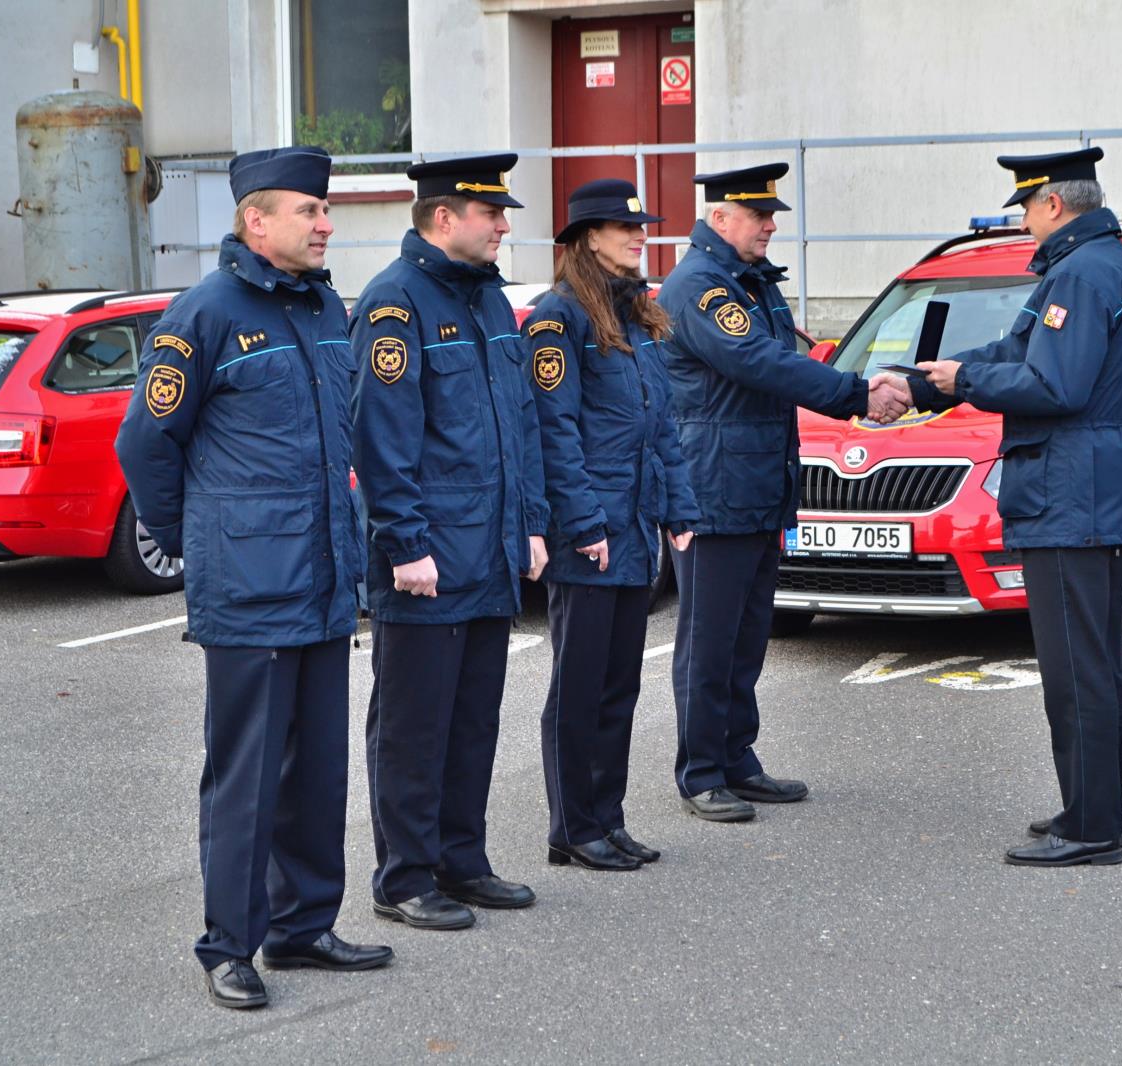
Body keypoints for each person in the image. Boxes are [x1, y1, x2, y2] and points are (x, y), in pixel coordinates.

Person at [115, 145, 392, 1011]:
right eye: (308, 210)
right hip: (249, 587)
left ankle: (303, 927)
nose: (325, 223)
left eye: (325, 209)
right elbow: (145, 444)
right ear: (255, 221)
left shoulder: (320, 308)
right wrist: (197, 540)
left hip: (321, 580)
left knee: (317, 773)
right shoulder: (203, 316)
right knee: (246, 776)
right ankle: (228, 945)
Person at [890, 146, 1122, 867]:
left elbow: (1055, 387)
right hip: (1084, 484)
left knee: (1079, 665)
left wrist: (966, 377)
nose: (1025, 224)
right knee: (1085, 660)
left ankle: (1093, 828)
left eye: (1028, 209)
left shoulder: (1082, 273)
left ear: (1054, 205)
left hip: (1076, 488)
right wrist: (940, 380)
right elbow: (1019, 349)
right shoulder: (1090, 267)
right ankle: (1088, 806)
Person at [657, 163, 909, 823]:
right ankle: (701, 772)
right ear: (719, 219)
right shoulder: (699, 288)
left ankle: (738, 758)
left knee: (746, 638)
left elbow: (786, 363)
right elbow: (759, 364)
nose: (771, 225)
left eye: (772, 215)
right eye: (758, 215)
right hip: (713, 487)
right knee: (709, 640)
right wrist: (858, 396)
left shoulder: (751, 283)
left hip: (758, 484)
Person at [351, 153, 550, 928]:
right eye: (490, 213)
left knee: (473, 722)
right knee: (413, 727)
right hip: (429, 559)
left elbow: (521, 426)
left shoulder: (491, 305)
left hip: (490, 550)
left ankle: (463, 861)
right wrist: (404, 545)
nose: (504, 225)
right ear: (443, 218)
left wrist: (532, 523)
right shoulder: (395, 306)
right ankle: (405, 878)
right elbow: (384, 439)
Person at [526, 179, 702, 870]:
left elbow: (662, 427)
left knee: (619, 683)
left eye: (640, 226)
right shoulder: (557, 317)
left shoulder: (633, 316)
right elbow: (555, 429)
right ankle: (572, 826)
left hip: (635, 525)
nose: (639, 236)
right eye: (623, 228)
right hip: (592, 530)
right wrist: (582, 520)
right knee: (579, 684)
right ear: (585, 239)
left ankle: (608, 816)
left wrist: (681, 507)